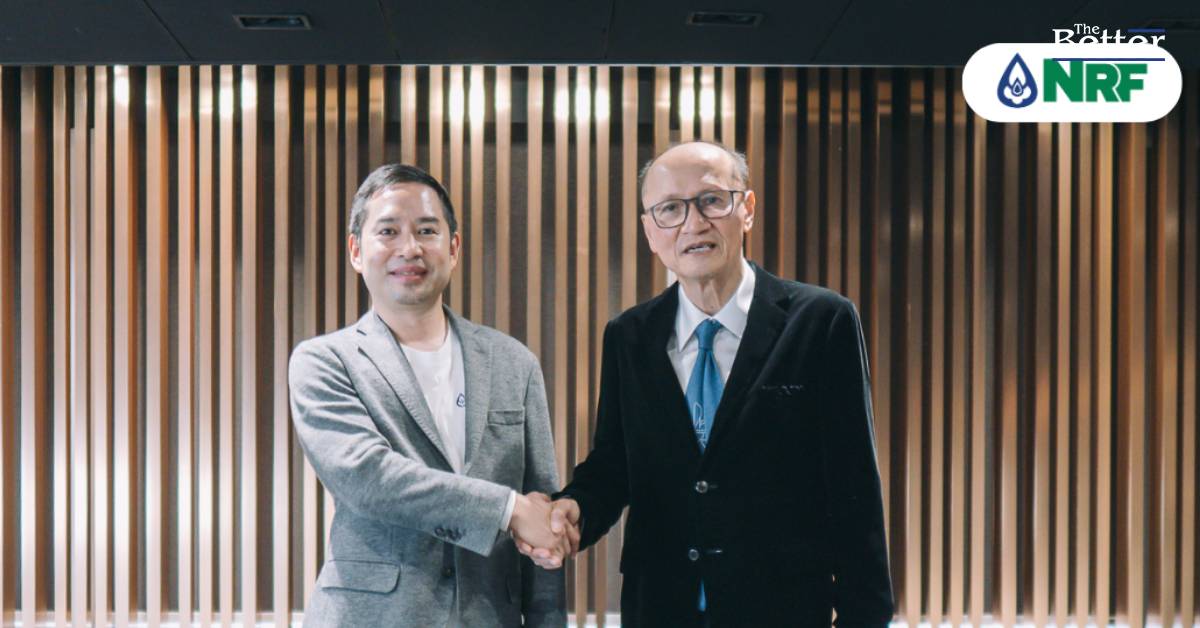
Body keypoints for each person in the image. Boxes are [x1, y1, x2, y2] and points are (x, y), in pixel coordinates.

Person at [519, 141, 894, 627]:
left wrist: (867, 617)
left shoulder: (821, 321)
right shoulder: (629, 336)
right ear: (650, 231)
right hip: (660, 611)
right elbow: (615, 465)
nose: (693, 224)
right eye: (670, 209)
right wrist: (575, 510)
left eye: (712, 201)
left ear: (747, 209)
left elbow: (854, 487)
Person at [289, 164, 566, 627]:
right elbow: (368, 477)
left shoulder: (514, 362)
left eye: (426, 230)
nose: (409, 248)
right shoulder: (324, 361)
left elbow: (543, 519)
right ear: (356, 251)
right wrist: (507, 509)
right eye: (388, 231)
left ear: (453, 249)